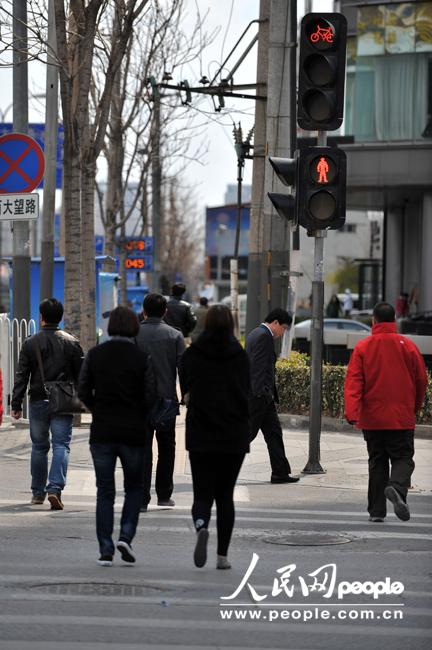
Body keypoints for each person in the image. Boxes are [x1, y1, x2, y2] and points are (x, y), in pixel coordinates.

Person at [78, 306, 157, 566]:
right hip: (133, 432)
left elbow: (83, 389)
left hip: (102, 432)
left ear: (111, 326)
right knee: (134, 487)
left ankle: (105, 548)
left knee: (105, 491)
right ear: (134, 326)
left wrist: (97, 408)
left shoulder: (95, 355)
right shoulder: (141, 357)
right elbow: (150, 396)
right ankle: (126, 535)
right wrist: (139, 413)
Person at [179, 304, 250, 569]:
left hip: (201, 431)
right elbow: (247, 391)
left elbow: (184, 384)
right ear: (231, 324)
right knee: (225, 496)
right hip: (233, 434)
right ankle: (222, 556)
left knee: (202, 494)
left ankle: (200, 527)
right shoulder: (239, 355)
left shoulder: (194, 353)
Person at [344, 302, 427, 523]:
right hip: (401, 418)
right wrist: (415, 406)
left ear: (374, 321)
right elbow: (421, 380)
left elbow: (354, 383)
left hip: (372, 419)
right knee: (403, 458)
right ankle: (397, 488)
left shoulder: (363, 347)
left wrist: (352, 413)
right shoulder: (407, 346)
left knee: (377, 461)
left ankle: (376, 512)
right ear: (394, 321)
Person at [11, 298, 83, 510]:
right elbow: (82, 376)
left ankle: (37, 493)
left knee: (39, 447)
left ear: (41, 317)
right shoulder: (72, 342)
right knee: (61, 444)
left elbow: (22, 376)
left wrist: (16, 403)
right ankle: (55, 488)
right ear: (60, 317)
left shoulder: (30, 342)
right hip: (63, 401)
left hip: (38, 400)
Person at [135, 293, 185, 511]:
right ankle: (164, 495)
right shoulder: (175, 335)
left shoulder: (134, 334)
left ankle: (142, 499)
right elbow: (184, 370)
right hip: (166, 400)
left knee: (143, 450)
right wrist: (186, 396)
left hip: (139, 402)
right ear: (165, 311)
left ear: (144, 311)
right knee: (167, 448)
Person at [245, 308, 299, 484]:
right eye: (283, 328)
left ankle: (280, 472)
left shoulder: (255, 333)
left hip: (262, 396)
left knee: (274, 433)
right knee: (246, 434)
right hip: (259, 395)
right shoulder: (263, 336)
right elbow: (259, 368)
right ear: (275, 322)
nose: (282, 332)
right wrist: (262, 393)